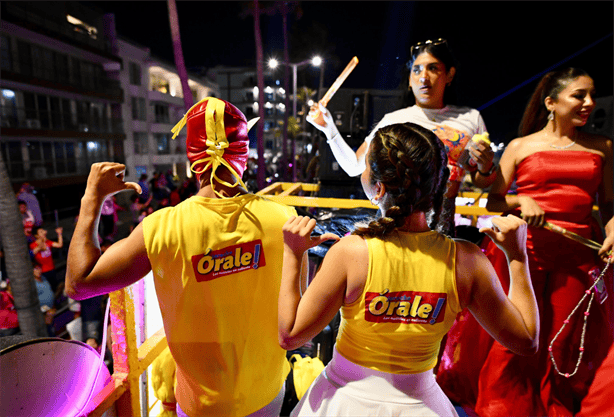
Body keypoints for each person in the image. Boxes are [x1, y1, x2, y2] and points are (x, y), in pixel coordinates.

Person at [278, 122, 539, 416]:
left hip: (343, 400)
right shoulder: (466, 261)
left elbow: (290, 335)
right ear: (438, 186)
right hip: (422, 405)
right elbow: (526, 340)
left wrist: (293, 252)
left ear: (378, 187)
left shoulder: (351, 253)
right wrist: (517, 257)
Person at [65, 97, 297, 417]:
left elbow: (79, 284)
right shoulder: (283, 217)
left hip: (202, 406)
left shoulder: (161, 227)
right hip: (267, 393)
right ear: (243, 156)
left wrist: (91, 199)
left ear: (192, 159)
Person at [473, 68, 613, 416]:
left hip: (579, 255)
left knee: (565, 343)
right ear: (551, 102)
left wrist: (613, 231)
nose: (589, 103)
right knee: (517, 339)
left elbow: (610, 204)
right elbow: (494, 200)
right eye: (579, 95)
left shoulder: (603, 147)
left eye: (591, 96)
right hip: (526, 252)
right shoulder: (521, 146)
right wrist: (521, 201)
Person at [308, 38, 496, 236]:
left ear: (449, 74)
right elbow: (354, 166)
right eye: (416, 70)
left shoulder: (470, 119)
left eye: (433, 68)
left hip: (444, 235)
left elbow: (481, 180)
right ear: (409, 79)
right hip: (393, 232)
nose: (424, 77)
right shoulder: (394, 120)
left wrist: (485, 166)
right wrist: (329, 129)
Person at [30, 226, 63, 292]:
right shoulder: (33, 245)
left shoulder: (48, 242)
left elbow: (59, 245)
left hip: (52, 269)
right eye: (41, 232)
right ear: (36, 236)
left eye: (43, 231)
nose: (44, 232)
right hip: (43, 272)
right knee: (47, 288)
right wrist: (40, 246)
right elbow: (32, 253)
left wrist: (59, 234)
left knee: (55, 287)